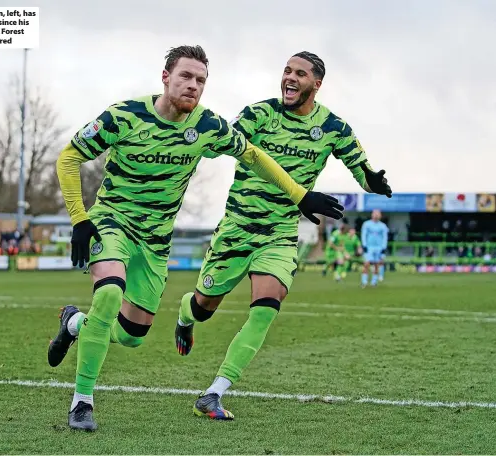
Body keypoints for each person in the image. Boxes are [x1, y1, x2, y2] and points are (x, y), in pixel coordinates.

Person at [47, 45, 344, 431]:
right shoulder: (124, 116)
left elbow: (253, 156)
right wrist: (79, 219)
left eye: (201, 80)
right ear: (166, 77)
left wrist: (300, 194)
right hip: (112, 223)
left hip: (155, 242)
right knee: (108, 294)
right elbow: (69, 157)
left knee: (132, 335)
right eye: (186, 76)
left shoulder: (206, 127)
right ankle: (81, 402)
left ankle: (73, 325)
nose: (193, 86)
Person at [173, 51, 393, 420]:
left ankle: (214, 392)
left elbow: (359, 164)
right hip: (237, 229)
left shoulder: (334, 128)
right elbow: (221, 142)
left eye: (300, 73)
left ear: (316, 84)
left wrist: (370, 179)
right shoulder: (259, 114)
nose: (290, 78)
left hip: (279, 234)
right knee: (203, 306)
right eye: (287, 71)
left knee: (266, 308)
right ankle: (185, 315)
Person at [361, 209, 389, 287]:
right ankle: (364, 281)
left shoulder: (383, 226)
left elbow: (385, 237)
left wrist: (384, 247)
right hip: (369, 247)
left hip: (379, 247)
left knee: (377, 264)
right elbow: (364, 235)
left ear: (380, 215)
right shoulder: (366, 224)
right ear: (372, 214)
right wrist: (364, 245)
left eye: (378, 214)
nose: (376, 215)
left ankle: (374, 282)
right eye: (375, 213)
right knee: (366, 264)